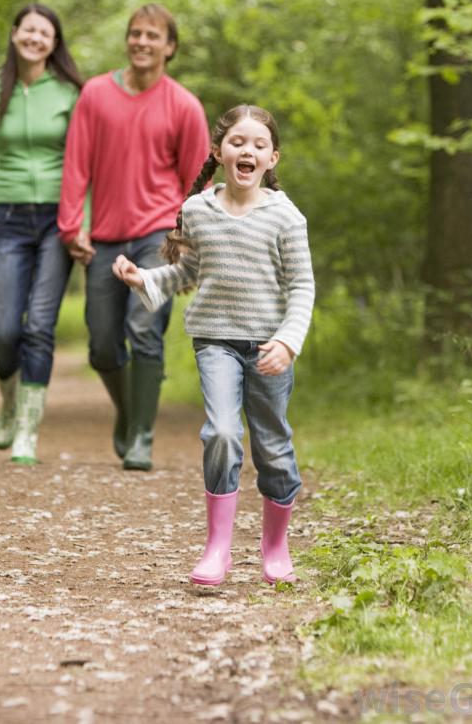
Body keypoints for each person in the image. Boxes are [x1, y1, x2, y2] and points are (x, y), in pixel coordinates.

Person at [111, 105, 314, 585]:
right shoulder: (198, 209)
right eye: (238, 142)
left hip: (269, 347)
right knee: (222, 433)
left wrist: (288, 342)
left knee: (273, 449)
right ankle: (218, 548)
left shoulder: (286, 217)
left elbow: (302, 286)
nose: (248, 150)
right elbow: (189, 271)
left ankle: (275, 546)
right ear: (221, 151)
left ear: (273, 158)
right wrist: (144, 278)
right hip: (215, 341)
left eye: (259, 145)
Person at [57, 3, 209, 471]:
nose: (141, 41)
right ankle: (130, 412)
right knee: (102, 343)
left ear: (170, 47)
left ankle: (142, 435)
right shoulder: (96, 95)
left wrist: (188, 247)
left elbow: (197, 184)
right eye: (135, 33)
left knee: (143, 330)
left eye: (152, 35)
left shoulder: (184, 105)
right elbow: (76, 163)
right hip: (104, 237)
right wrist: (70, 226)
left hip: (157, 238)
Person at [0, 4, 83, 465]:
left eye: (46, 33)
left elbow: (83, 160)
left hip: (58, 219)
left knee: (39, 325)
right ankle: (9, 401)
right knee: (4, 330)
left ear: (55, 43)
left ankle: (27, 431)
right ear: (15, 33)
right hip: (11, 217)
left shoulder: (69, 93)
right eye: (29, 29)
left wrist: (81, 220)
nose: (36, 38)